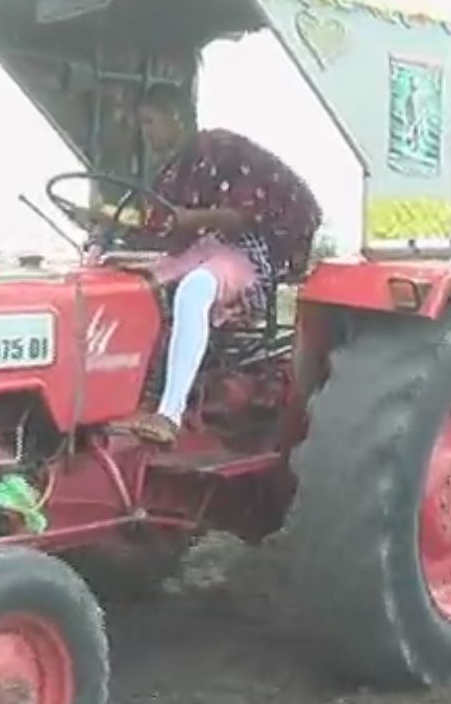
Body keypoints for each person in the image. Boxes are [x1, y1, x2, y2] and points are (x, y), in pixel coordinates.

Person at [116, 82, 323, 446]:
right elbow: (162, 227)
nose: (143, 133)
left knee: (195, 288)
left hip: (251, 254)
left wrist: (189, 220)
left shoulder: (222, 150)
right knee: (130, 282)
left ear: (177, 118)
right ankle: (122, 401)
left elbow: (240, 218)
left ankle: (169, 412)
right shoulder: (170, 172)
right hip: (204, 248)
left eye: (149, 122)